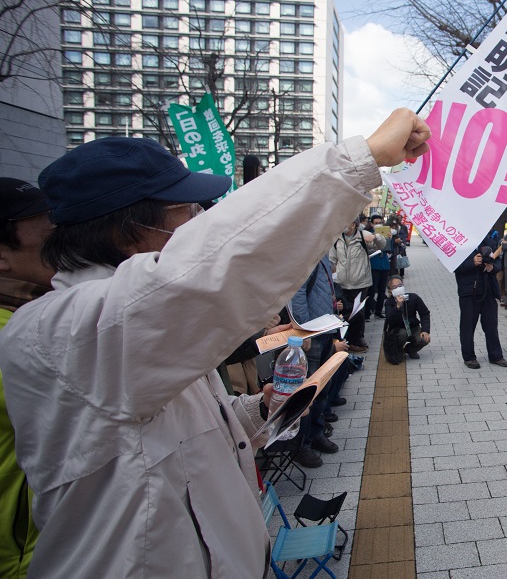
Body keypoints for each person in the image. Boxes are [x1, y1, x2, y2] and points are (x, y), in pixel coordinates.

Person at [0, 108, 430, 578]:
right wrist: (361, 158)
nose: (199, 219)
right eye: (184, 209)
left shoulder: (125, 329)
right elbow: (216, 270)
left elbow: (170, 441)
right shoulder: (64, 330)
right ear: (128, 232)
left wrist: (255, 411)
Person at [0, 178, 53, 579]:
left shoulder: (34, 313)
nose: (64, 242)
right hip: (22, 556)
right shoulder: (16, 337)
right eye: (50, 232)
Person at [288, 254, 345, 468]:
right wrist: (304, 332)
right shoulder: (304, 255)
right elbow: (297, 296)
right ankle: (301, 445)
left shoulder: (321, 252)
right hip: (311, 333)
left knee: (323, 386)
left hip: (325, 328)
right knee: (308, 392)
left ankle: (316, 433)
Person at [330, 215, 386, 352]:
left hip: (360, 282)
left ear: (354, 225)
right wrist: (334, 277)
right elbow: (332, 260)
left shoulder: (362, 235)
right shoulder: (337, 238)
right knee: (344, 311)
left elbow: (382, 244)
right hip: (342, 283)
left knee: (358, 313)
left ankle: (358, 339)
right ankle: (344, 339)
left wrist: (375, 237)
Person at [454, 237, 507, 369]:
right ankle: (469, 357)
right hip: (469, 292)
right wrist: (472, 263)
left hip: (488, 290)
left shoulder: (489, 241)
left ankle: (496, 356)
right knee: (467, 326)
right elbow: (455, 266)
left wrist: (492, 268)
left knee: (491, 325)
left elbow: (498, 263)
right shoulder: (459, 243)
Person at [383, 275, 430, 364]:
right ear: (390, 291)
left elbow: (425, 313)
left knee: (424, 339)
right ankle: (398, 349)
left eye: (400, 286)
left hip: (412, 327)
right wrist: (397, 307)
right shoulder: (389, 303)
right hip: (398, 330)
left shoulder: (414, 298)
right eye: (395, 287)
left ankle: (410, 349)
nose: (398, 288)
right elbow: (390, 321)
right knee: (402, 334)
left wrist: (425, 330)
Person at [367, 215, 390, 319]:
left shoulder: (385, 233)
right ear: (371, 224)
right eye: (376, 223)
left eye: (380, 222)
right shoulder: (368, 235)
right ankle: (368, 311)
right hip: (373, 265)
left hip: (384, 265)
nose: (378, 224)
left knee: (382, 291)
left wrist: (389, 239)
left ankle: (378, 310)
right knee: (371, 290)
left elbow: (389, 249)